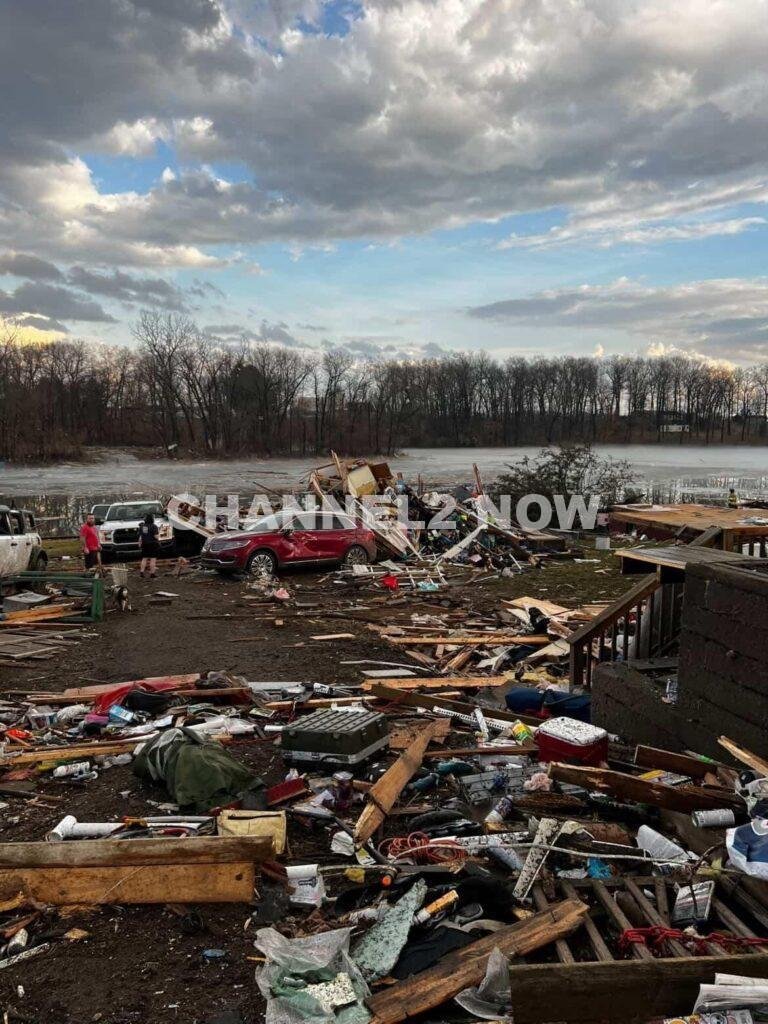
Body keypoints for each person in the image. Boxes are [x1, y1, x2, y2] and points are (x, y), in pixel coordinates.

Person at [139, 512, 160, 578]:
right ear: (152, 519)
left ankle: (142, 572)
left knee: (144, 558)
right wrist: (159, 534)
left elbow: (141, 536)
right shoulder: (154, 526)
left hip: (144, 544)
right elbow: (156, 536)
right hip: (153, 544)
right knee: (152, 559)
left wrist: (139, 543)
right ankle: (152, 573)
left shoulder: (142, 526)